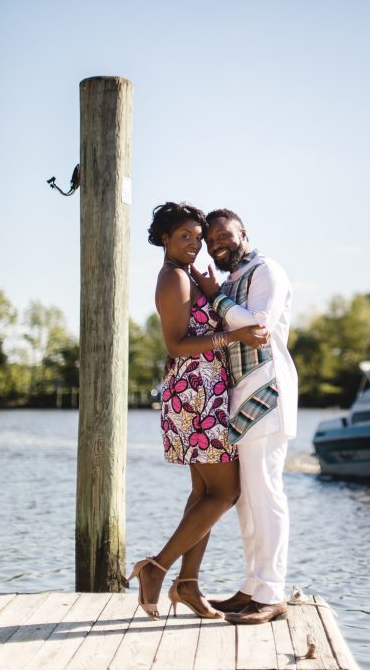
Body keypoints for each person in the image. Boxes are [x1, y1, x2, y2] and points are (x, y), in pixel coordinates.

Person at [125, 202, 269, 621]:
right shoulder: (172, 279)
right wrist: (236, 336)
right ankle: (156, 568)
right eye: (183, 236)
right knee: (226, 492)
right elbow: (176, 345)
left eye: (197, 237)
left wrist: (211, 294)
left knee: (205, 493)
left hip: (205, 391)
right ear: (165, 239)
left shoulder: (187, 277)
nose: (193, 244)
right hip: (196, 395)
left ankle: (187, 585)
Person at [190, 207, 297, 626]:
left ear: (242, 232)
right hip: (241, 401)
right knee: (247, 503)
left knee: (266, 496)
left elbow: (258, 326)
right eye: (210, 240)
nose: (217, 243)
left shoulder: (267, 271)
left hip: (267, 395)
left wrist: (213, 294)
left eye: (223, 235)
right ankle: (252, 587)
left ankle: (272, 594)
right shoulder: (233, 279)